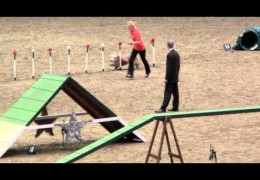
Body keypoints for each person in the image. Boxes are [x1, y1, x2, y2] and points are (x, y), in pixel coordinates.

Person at [155, 40, 180, 113]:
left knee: (167, 92)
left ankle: (163, 108)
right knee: (175, 93)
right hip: (175, 77)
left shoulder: (169, 55)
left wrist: (166, 78)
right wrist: (176, 75)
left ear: (167, 45)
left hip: (170, 78)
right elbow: (178, 66)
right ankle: (175, 107)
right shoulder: (176, 54)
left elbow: (168, 68)